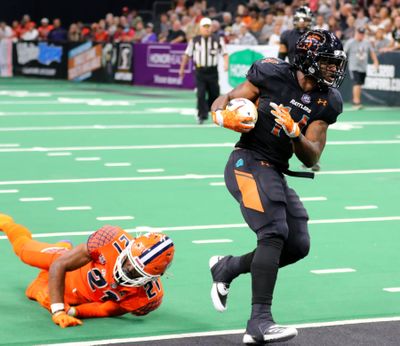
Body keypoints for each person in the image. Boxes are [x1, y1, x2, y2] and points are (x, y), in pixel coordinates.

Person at [209, 29, 347, 344]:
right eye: (327, 62)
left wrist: (295, 132)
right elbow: (226, 99)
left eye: (335, 63)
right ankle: (259, 322)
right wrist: (222, 116)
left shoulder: (328, 100)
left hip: (275, 170)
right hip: (247, 161)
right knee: (273, 232)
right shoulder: (270, 73)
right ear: (308, 60)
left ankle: (227, 267)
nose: (333, 69)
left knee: (298, 244)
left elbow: (312, 156)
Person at [0, 213, 174, 328]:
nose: (127, 270)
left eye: (136, 272)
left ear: (154, 276)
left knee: (34, 292)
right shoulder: (110, 239)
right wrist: (58, 310)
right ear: (129, 248)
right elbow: (59, 266)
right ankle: (6, 222)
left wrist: (74, 312)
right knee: (23, 250)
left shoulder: (148, 297)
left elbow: (107, 309)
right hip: (65, 266)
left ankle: (61, 247)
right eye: (129, 262)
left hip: (75, 297)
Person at [278, 6, 321, 172]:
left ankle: (310, 157)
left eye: (305, 19)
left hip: (310, 79)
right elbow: (281, 57)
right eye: (299, 19)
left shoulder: (316, 36)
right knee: (284, 114)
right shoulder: (287, 35)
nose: (302, 23)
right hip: (291, 78)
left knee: (309, 118)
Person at [179, 17, 229, 124]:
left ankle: (209, 110)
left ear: (211, 28)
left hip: (212, 71)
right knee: (200, 93)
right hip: (200, 71)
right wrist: (182, 68)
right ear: (200, 28)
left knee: (214, 93)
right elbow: (187, 55)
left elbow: (224, 53)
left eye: (208, 27)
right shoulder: (195, 40)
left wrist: (226, 63)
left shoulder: (218, 39)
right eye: (204, 27)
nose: (207, 29)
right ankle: (202, 115)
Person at [344, 27, 379, 110]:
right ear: (356, 33)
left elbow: (372, 52)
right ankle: (356, 102)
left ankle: (357, 100)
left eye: (362, 34)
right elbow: (344, 52)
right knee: (357, 83)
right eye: (360, 33)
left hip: (363, 67)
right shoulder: (350, 42)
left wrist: (376, 62)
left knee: (360, 84)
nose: (361, 35)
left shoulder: (367, 42)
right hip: (354, 66)